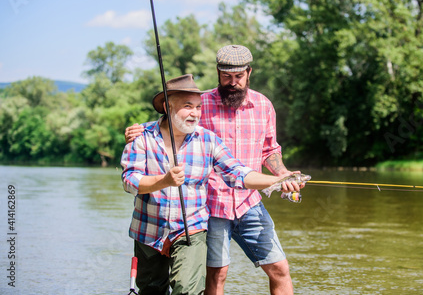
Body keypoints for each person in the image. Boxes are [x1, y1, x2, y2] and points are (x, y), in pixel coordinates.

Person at [125, 46, 303, 295]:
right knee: (216, 275)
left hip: (249, 200)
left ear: (249, 72)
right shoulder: (201, 102)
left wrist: (281, 175)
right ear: (218, 73)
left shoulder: (264, 105)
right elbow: (170, 121)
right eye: (226, 77)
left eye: (239, 76)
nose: (233, 83)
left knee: (279, 268)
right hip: (211, 203)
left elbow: (268, 151)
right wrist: (139, 130)